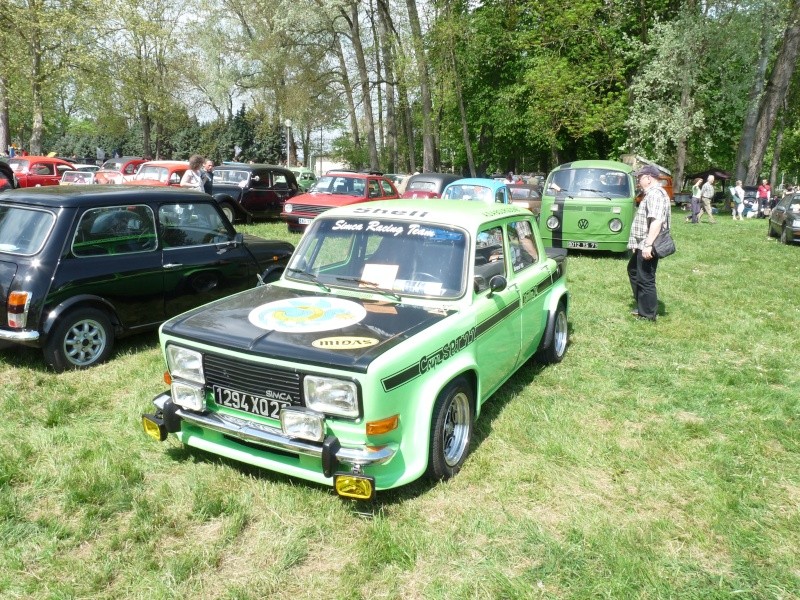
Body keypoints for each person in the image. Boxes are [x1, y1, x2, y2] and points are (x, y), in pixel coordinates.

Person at [627, 165, 671, 321]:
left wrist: (648, 245)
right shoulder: (650, 194)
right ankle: (642, 305)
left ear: (648, 178)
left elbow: (657, 221)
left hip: (649, 243)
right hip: (643, 243)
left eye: (639, 177)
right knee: (633, 270)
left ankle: (647, 314)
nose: (638, 180)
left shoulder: (656, 195)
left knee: (646, 278)